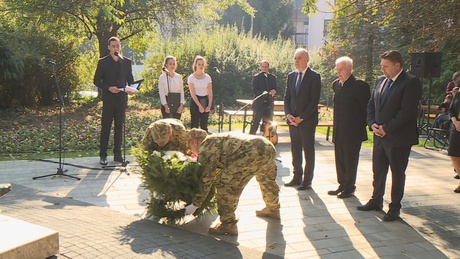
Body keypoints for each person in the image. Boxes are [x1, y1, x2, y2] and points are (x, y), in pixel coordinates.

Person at [357, 50, 422, 222]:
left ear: (397, 65)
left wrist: (387, 128)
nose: (383, 70)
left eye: (386, 66)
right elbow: (371, 105)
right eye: (381, 66)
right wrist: (372, 124)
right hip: (379, 136)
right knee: (378, 171)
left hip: (399, 138)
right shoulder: (380, 81)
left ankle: (394, 208)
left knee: (397, 173)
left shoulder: (411, 82)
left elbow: (407, 112)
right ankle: (376, 200)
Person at [184, 129, 280, 235]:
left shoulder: (206, 147)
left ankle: (228, 224)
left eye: (189, 149)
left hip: (250, 153)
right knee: (267, 181)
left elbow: (206, 179)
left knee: (225, 186)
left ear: (194, 142)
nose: (192, 152)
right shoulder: (216, 138)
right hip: (267, 146)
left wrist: (195, 204)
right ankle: (273, 209)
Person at [328, 57, 370, 198]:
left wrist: (361, 126)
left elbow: (367, 109)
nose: (339, 72)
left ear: (350, 69)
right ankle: (342, 184)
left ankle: (350, 187)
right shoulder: (336, 85)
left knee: (350, 160)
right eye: (337, 69)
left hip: (353, 132)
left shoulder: (360, 86)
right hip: (339, 130)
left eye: (342, 69)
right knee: (339, 159)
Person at [283, 48, 321, 190]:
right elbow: (287, 98)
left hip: (307, 121)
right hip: (292, 120)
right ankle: (296, 176)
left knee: (308, 150)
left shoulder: (314, 76)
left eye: (299, 58)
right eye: (295, 58)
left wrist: (302, 117)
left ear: (307, 59)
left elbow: (313, 101)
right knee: (295, 149)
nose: (297, 61)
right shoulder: (291, 76)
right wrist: (289, 115)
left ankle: (307, 180)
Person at [94, 36, 135, 166]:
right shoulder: (103, 62)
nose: (116, 48)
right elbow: (96, 80)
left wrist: (131, 89)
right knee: (106, 127)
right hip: (109, 99)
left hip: (121, 99)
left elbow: (130, 80)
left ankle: (117, 155)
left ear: (120, 47)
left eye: (117, 46)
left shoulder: (126, 62)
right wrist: (108, 88)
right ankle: (103, 155)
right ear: (109, 47)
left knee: (119, 128)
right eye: (113, 46)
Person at [249, 60, 277, 135]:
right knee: (256, 121)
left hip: (269, 103)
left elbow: (275, 89)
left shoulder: (272, 78)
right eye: (263, 67)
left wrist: (274, 92)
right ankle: (251, 136)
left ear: (268, 67)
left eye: (266, 67)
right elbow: (255, 91)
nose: (264, 68)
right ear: (260, 67)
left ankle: (266, 135)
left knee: (268, 122)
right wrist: (265, 93)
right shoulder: (256, 77)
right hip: (259, 103)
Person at [188, 56, 213, 132]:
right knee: (194, 124)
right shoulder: (191, 77)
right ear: (195, 65)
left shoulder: (207, 77)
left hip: (204, 99)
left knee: (204, 125)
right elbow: (192, 93)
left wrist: (209, 105)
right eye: (199, 64)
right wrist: (199, 106)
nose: (201, 66)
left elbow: (210, 93)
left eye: (202, 64)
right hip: (195, 101)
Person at [448, 89, 460, 193]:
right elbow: (451, 109)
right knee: (453, 154)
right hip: (457, 127)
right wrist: (455, 122)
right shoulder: (458, 93)